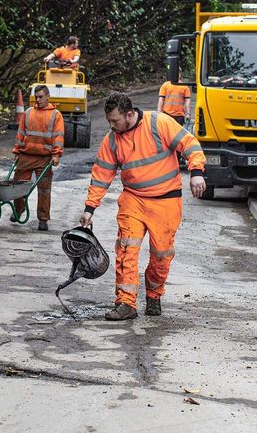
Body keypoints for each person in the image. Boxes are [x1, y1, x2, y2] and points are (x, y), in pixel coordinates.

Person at [79, 93, 206, 321]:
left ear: (129, 114)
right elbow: (101, 176)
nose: (111, 125)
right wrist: (90, 208)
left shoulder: (159, 123)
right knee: (126, 249)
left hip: (166, 201)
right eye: (109, 121)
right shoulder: (112, 139)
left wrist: (196, 173)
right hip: (133, 199)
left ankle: (154, 295)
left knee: (161, 255)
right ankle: (125, 302)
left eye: (115, 121)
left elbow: (190, 144)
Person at [12, 85, 64, 231]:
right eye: (36, 97)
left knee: (44, 190)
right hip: (26, 156)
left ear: (48, 96)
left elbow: (58, 137)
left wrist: (56, 154)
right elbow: (20, 134)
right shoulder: (28, 113)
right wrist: (16, 152)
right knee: (18, 186)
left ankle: (43, 219)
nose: (38, 100)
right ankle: (18, 210)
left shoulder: (55, 115)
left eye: (41, 97)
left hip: (44, 158)